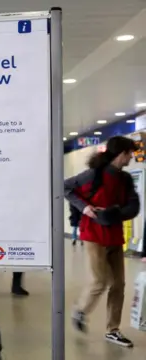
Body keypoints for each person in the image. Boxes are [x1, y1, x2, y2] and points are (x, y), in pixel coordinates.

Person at [66, 136, 139, 347]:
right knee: (100, 281)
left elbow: (133, 207)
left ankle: (113, 330)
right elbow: (65, 187)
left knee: (118, 284)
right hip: (93, 236)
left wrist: (113, 213)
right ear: (122, 153)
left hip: (115, 236)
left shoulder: (125, 179)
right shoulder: (93, 174)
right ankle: (80, 311)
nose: (131, 158)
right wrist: (85, 208)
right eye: (130, 153)